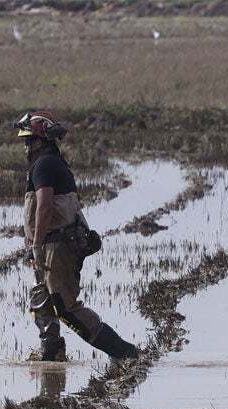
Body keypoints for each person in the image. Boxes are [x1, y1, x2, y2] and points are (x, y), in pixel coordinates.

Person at [14, 109, 139, 363]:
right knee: (42, 301)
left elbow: (45, 205)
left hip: (56, 246)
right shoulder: (48, 163)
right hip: (51, 245)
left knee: (66, 308)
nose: (26, 146)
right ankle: (52, 355)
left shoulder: (45, 164)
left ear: (42, 140)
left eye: (29, 140)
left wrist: (36, 245)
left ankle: (125, 353)